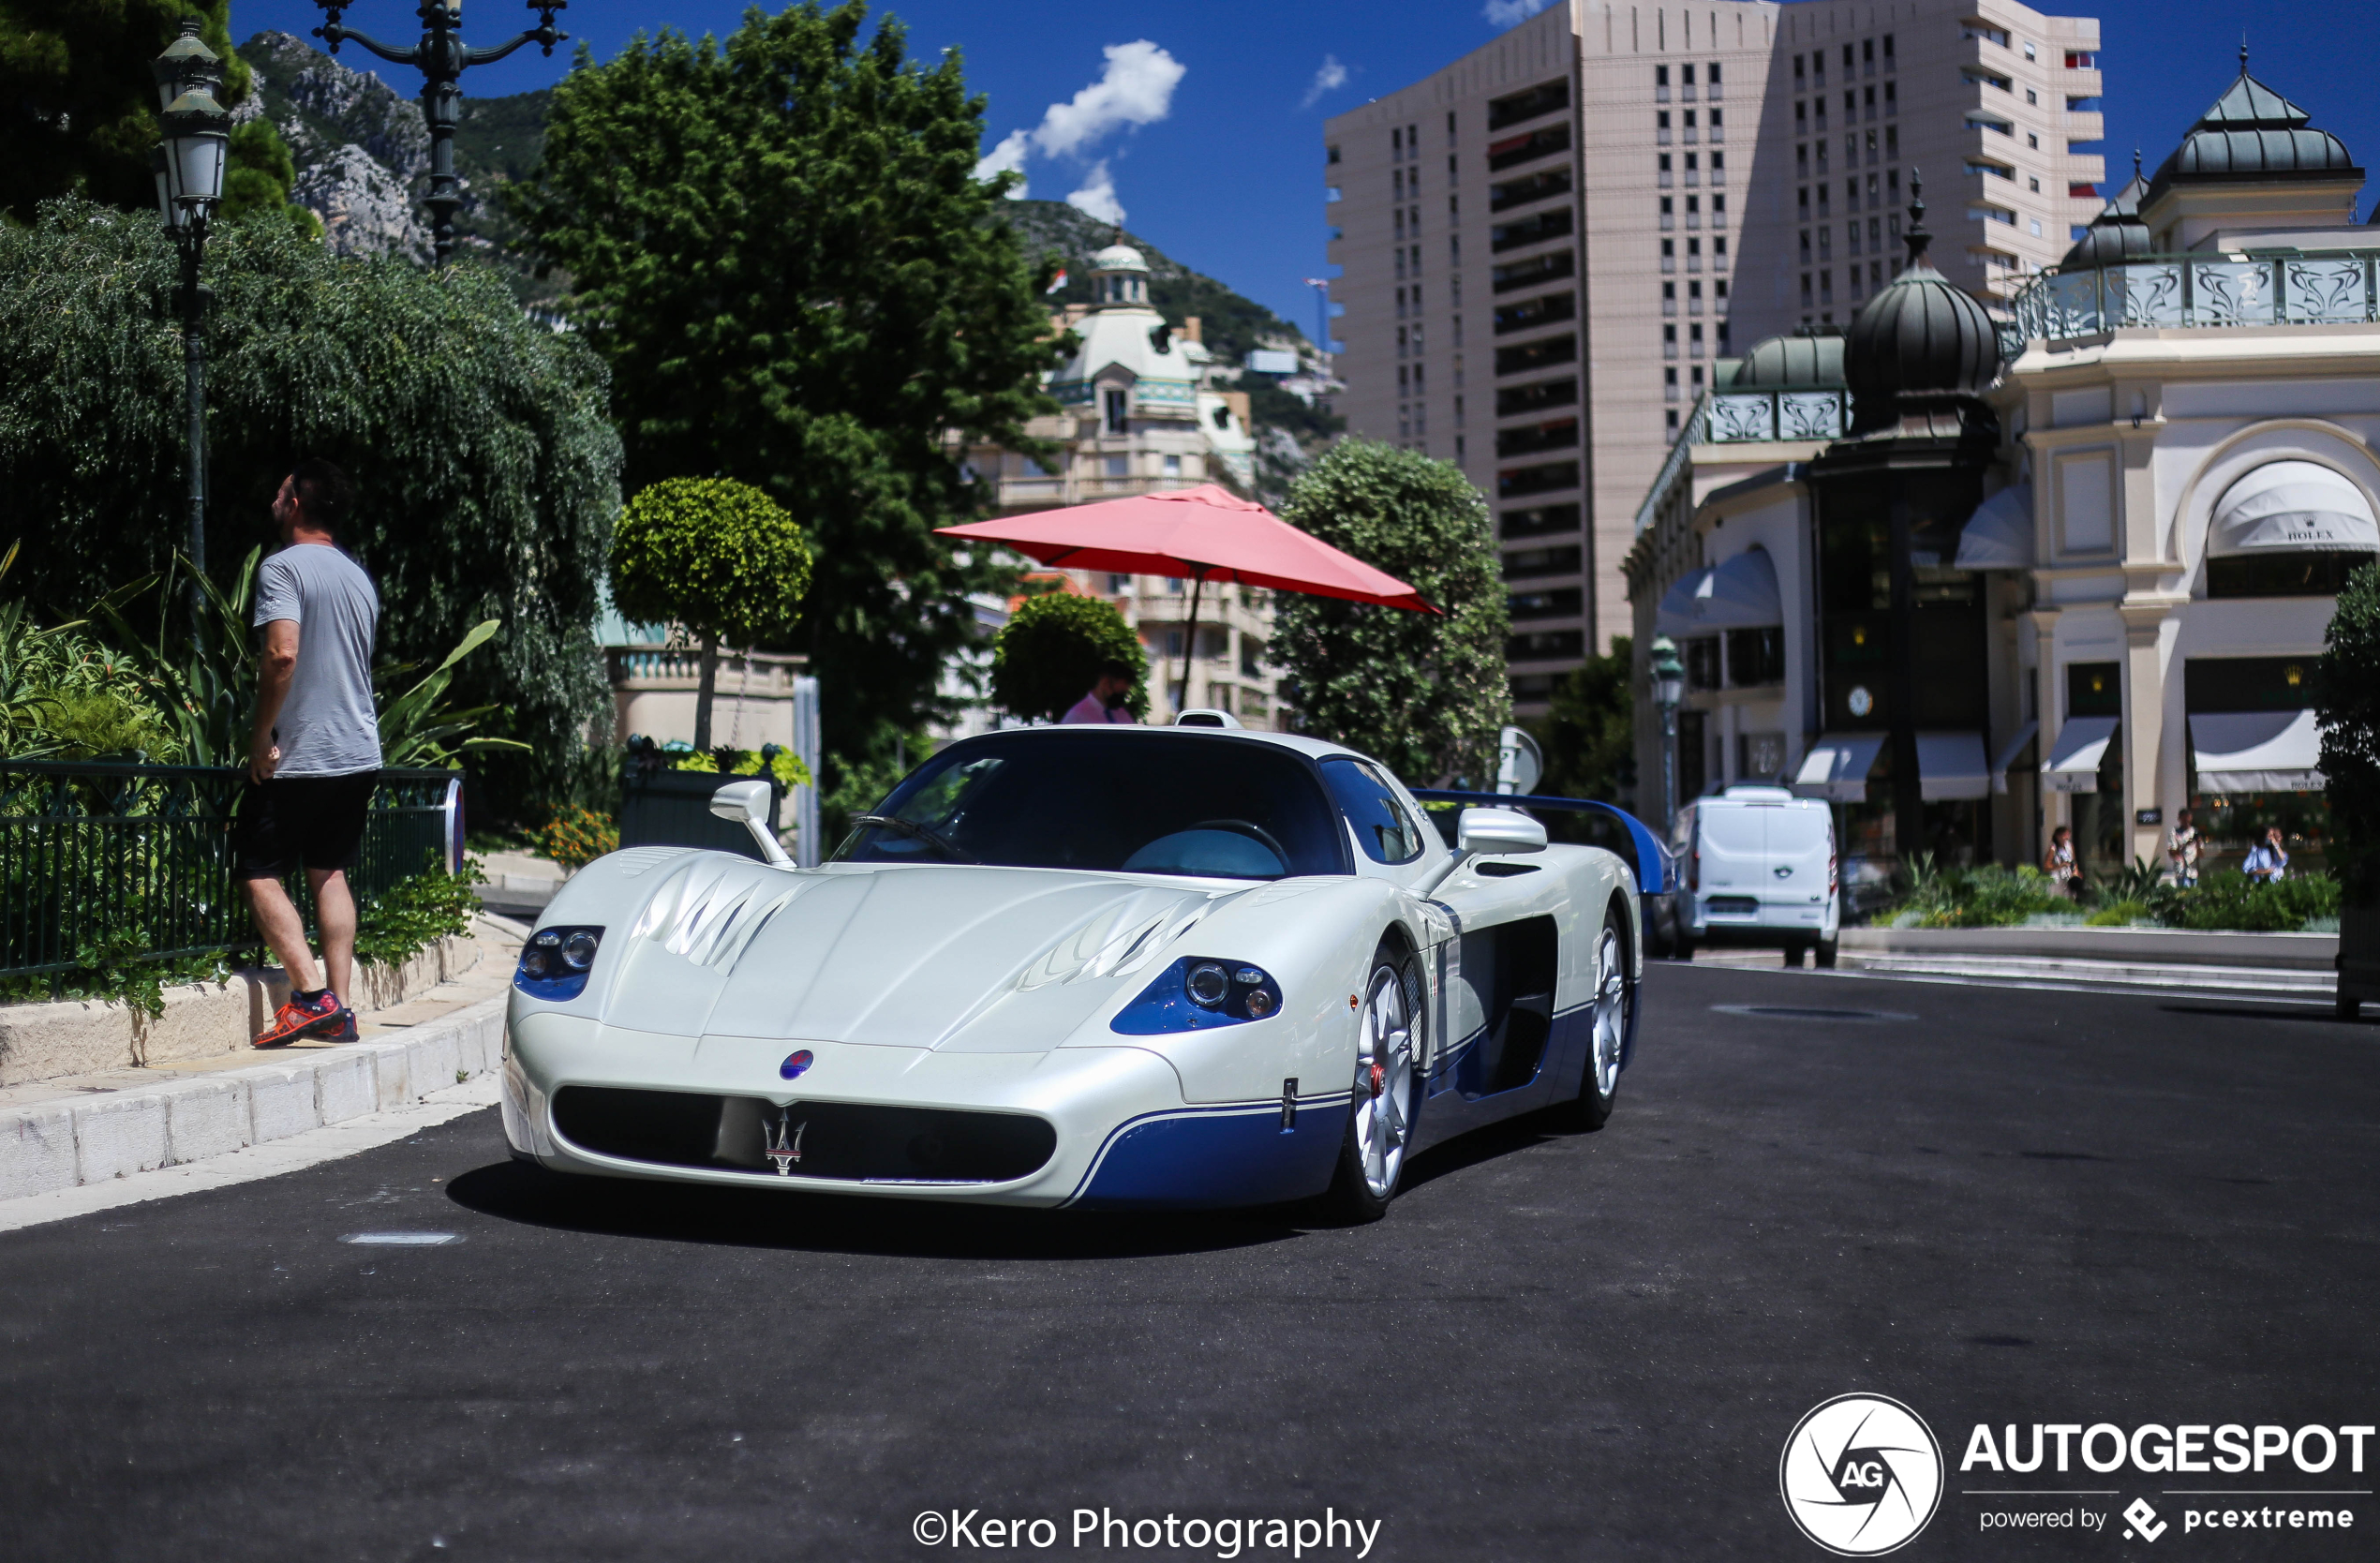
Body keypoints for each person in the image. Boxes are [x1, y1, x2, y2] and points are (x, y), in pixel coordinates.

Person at [234, 459, 381, 1047]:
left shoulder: (282, 568)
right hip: (359, 753)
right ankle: (342, 1009)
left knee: (257, 871)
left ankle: (311, 997)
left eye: (280, 490)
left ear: (296, 503)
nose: (274, 499)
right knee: (330, 872)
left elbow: (283, 655)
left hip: (303, 755)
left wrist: (261, 733)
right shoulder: (357, 577)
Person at [1061, 660, 1138, 724]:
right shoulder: (1077, 717)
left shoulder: (1122, 715)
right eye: (1120, 692)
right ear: (1105, 683)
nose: (1122, 697)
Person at [2165, 808, 2203, 888]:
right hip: (2181, 871)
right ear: (2180, 819)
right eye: (2184, 819)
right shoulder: (2174, 832)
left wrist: (2198, 844)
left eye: (2188, 819)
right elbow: (2172, 853)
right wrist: (2185, 845)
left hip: (2193, 871)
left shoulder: (2194, 832)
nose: (2186, 822)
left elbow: (2201, 854)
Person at [2042, 825, 2081, 900]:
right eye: (2064, 835)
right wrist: (2060, 866)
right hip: (2057, 879)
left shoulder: (2069, 846)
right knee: (2058, 898)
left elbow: (2073, 861)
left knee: (2071, 898)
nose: (2066, 837)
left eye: (2068, 835)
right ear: (2058, 836)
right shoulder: (2053, 848)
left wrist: (2075, 872)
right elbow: (2046, 866)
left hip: (2068, 877)